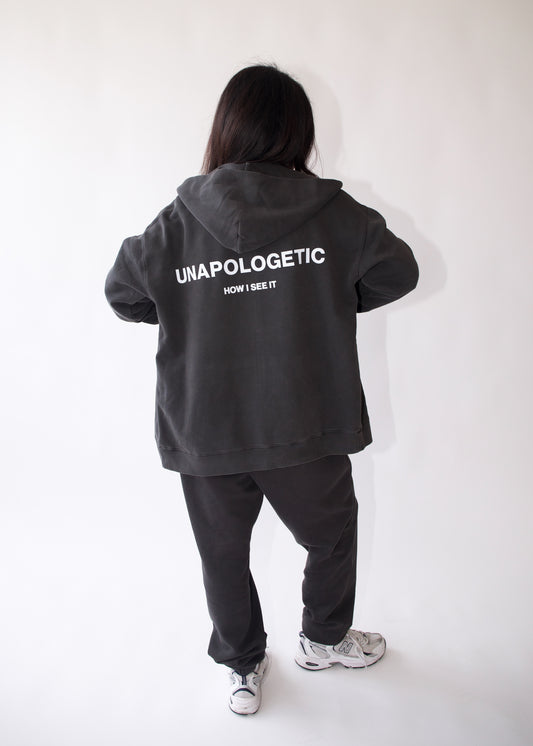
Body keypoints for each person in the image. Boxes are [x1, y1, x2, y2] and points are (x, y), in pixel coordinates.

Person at [104, 64, 419, 716]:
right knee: (332, 535)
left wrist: (195, 305)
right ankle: (323, 640)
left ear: (225, 129)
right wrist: (324, 294)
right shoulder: (333, 215)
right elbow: (397, 270)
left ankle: (241, 669)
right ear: (297, 132)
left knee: (222, 555)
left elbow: (124, 291)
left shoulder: (178, 221)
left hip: (206, 427)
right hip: (303, 421)